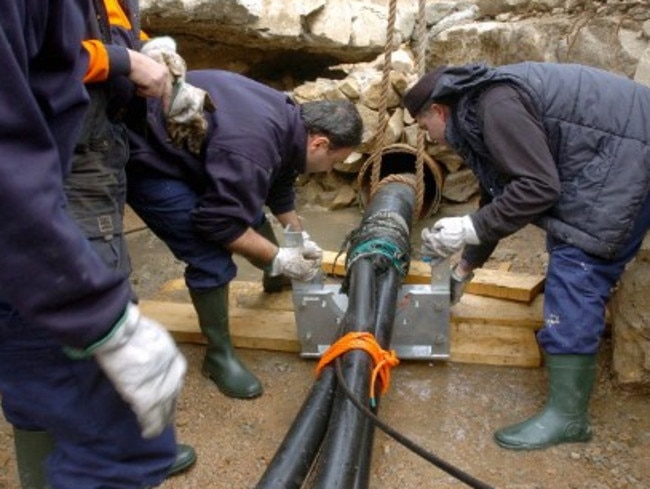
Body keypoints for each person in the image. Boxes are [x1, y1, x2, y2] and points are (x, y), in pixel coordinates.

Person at [403, 61, 650, 451]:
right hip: (623, 144)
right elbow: (500, 192)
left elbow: (537, 188)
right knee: (570, 250)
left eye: (423, 127)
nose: (429, 139)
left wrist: (470, 227)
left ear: (438, 111)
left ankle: (568, 418)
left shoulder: (495, 106)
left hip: (630, 152)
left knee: (578, 262)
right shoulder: (478, 108)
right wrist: (464, 268)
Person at [0, 0, 195, 487]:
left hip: (88, 150)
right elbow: (49, 61)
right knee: (120, 427)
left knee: (35, 357)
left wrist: (149, 48)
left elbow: (90, 37)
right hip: (52, 173)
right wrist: (102, 319)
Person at [125, 69, 363, 399]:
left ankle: (274, 275)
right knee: (210, 254)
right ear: (320, 143)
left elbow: (277, 183)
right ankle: (219, 356)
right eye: (334, 161)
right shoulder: (253, 146)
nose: (331, 169)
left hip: (192, 145)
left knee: (246, 204)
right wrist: (279, 256)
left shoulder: (289, 120)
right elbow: (217, 223)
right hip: (149, 159)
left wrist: (299, 235)